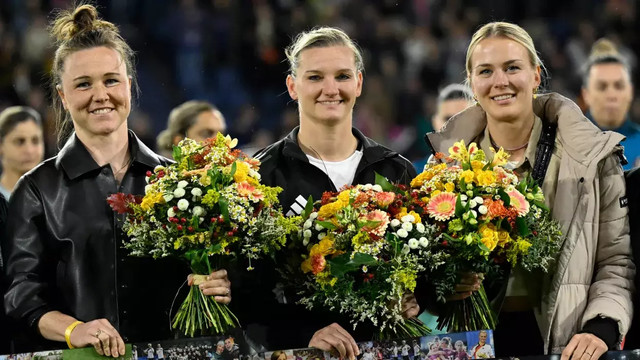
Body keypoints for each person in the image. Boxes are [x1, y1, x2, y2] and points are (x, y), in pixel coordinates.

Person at [0, 4, 231, 356]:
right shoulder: (36, 190)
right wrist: (74, 329)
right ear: (63, 96)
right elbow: (20, 296)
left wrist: (218, 284)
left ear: (129, 85)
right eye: (83, 84)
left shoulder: (181, 180)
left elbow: (206, 279)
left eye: (111, 80)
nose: (100, 95)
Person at [425, 21, 633, 357]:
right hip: (475, 343)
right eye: (486, 71)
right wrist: (443, 287)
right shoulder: (443, 167)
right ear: (472, 83)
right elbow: (428, 274)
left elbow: (616, 262)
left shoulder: (593, 158)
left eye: (512, 68)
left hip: (569, 345)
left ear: (536, 75)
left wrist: (601, 327)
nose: (500, 81)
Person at [235, 26, 418, 357]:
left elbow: (424, 276)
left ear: (359, 83)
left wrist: (414, 297)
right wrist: (304, 333)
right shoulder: (261, 178)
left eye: (343, 76)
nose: (330, 89)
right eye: (315, 77)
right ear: (293, 86)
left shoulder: (396, 170)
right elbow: (247, 298)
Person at [581, 38, 640, 170]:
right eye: (602, 86)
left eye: (618, 86)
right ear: (586, 94)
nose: (611, 95)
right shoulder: (566, 145)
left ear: (630, 91)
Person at [411, 84, 474, 172]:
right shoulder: (415, 174)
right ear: (435, 122)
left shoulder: (496, 169)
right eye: (448, 119)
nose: (455, 126)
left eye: (462, 118)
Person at [0, 106, 45, 199]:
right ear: (1, 145)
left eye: (35, 141)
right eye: (20, 141)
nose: (29, 150)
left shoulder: (57, 197)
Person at [156, 100, 227, 158]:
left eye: (221, 136)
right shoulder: (157, 172)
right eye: (206, 134)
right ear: (179, 141)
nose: (217, 142)